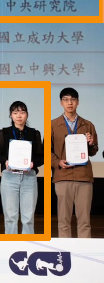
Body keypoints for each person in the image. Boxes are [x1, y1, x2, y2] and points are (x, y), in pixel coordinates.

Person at [51, 87, 98, 238]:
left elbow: (94, 151)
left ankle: (84, 251)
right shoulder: (52, 124)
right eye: (66, 100)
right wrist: (58, 162)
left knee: (84, 221)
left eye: (73, 99)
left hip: (83, 176)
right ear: (61, 103)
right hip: (62, 176)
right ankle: (64, 251)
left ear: (78, 102)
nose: (69, 103)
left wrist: (91, 143)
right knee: (63, 220)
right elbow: (46, 151)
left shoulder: (88, 124)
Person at [0, 101, 44, 234]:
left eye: (22, 112)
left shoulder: (34, 133)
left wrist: (33, 163)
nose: (19, 116)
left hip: (29, 177)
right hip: (9, 177)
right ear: (11, 115)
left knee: (28, 217)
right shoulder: (3, 133)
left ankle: (28, 243)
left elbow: (41, 157)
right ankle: (11, 244)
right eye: (15, 112)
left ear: (27, 115)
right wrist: (5, 161)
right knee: (10, 217)